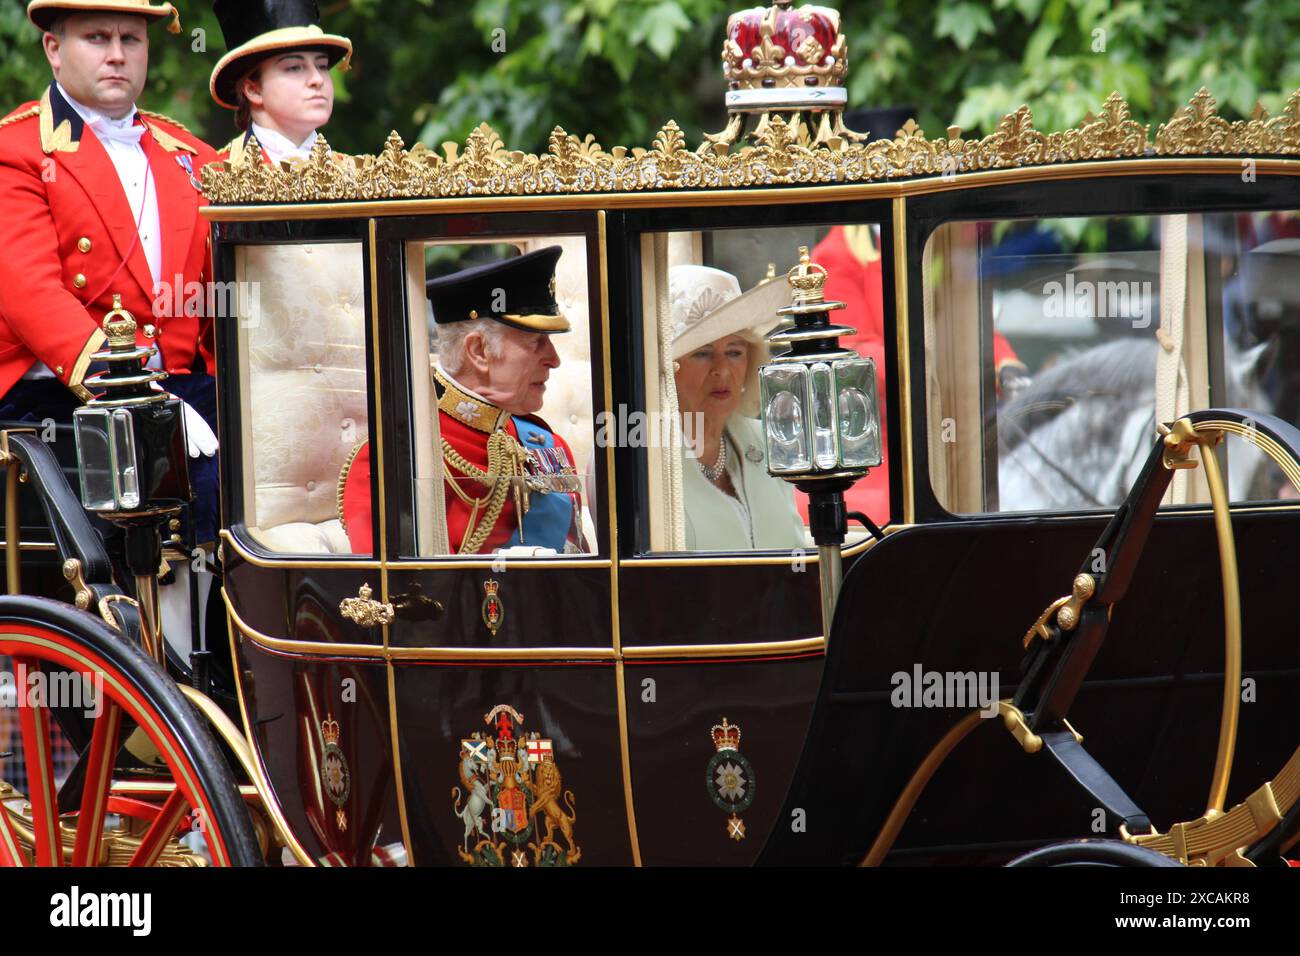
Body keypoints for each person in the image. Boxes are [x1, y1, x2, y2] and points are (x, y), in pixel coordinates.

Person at [0, 1, 220, 536]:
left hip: (184, 387)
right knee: (208, 490)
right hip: (60, 399)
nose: (118, 55)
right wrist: (133, 391)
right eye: (97, 39)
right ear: (54, 49)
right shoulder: (16, 149)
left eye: (132, 40)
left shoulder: (194, 155)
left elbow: (221, 299)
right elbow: (33, 297)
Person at [339, 247, 585, 555]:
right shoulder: (392, 461)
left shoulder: (548, 446)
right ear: (478, 351)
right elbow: (391, 591)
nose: (554, 359)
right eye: (537, 342)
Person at [670, 264, 805, 550]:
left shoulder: (768, 442)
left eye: (734, 352)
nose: (722, 370)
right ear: (669, 369)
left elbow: (796, 552)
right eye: (702, 353)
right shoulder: (641, 454)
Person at [209, 0, 352, 166]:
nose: (318, 79)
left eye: (322, 66)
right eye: (294, 68)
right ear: (253, 90)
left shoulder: (358, 177)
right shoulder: (214, 177)